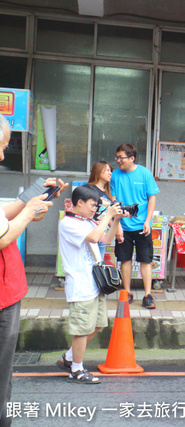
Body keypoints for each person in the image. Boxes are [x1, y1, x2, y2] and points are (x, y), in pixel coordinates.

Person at [0, 114, 66, 425]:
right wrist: (27, 213)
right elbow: (2, 237)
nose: (2, 155)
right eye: (0, 147)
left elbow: (1, 216)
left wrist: (31, 200)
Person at [57, 185, 123, 384]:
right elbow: (94, 237)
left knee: (97, 324)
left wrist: (116, 220)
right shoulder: (68, 223)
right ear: (80, 203)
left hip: (94, 284)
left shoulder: (85, 221)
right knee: (82, 329)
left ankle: (70, 358)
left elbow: (106, 239)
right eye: (93, 205)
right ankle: (76, 369)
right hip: (80, 284)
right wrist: (106, 215)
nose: (95, 209)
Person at [110, 144, 160, 309]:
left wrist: (148, 221)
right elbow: (114, 201)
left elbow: (151, 198)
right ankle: (127, 292)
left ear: (132, 158)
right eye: (117, 157)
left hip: (142, 225)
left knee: (145, 260)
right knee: (124, 259)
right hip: (123, 226)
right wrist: (117, 225)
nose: (118, 161)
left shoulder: (144, 173)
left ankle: (147, 295)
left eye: (121, 158)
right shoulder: (115, 176)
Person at [87, 161, 116, 257]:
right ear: (99, 171)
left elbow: (107, 214)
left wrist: (116, 230)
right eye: (107, 170)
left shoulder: (107, 191)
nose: (110, 173)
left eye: (110, 171)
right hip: (91, 231)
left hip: (103, 232)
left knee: (99, 265)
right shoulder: (89, 189)